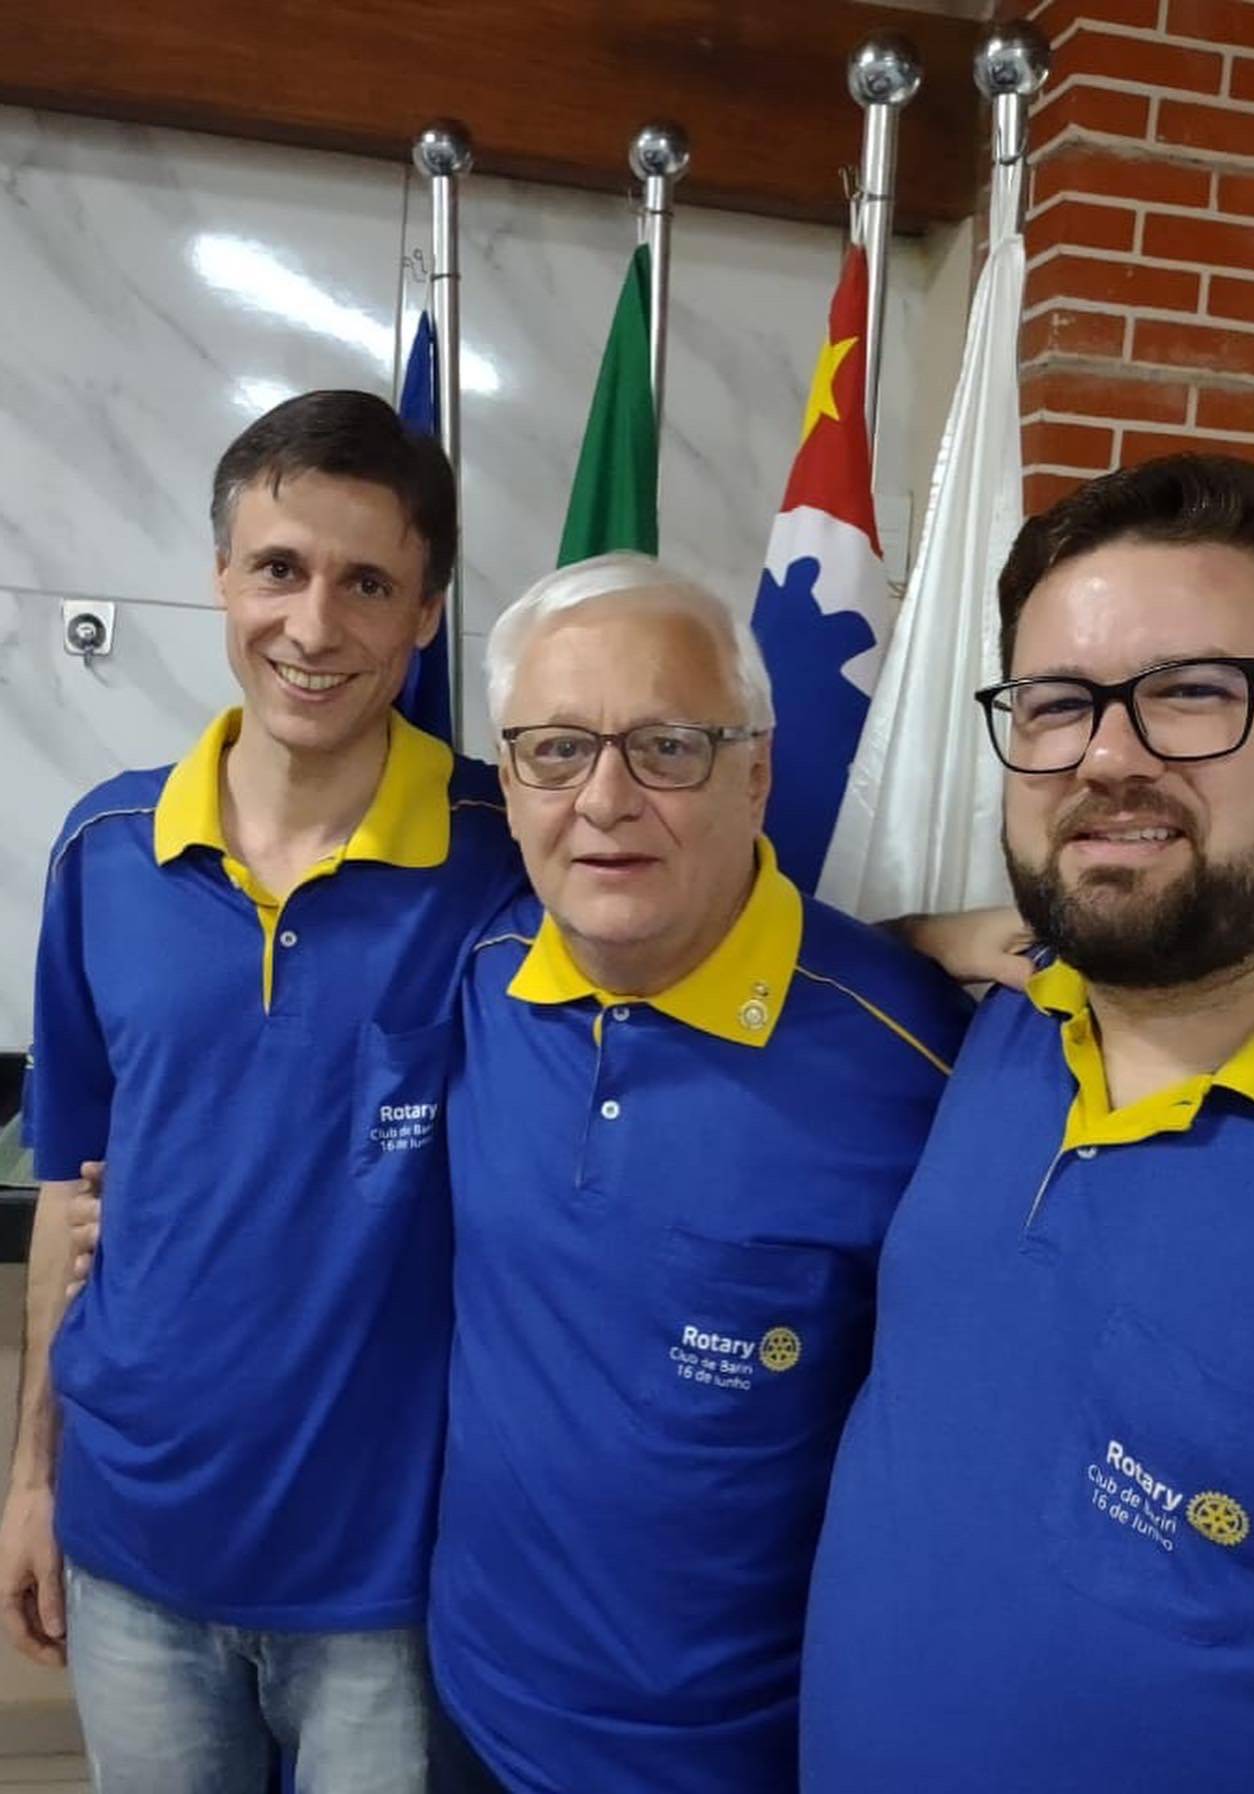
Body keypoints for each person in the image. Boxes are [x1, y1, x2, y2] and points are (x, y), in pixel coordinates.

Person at [800, 454, 1254, 1793]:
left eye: (1193, 691)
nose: (1106, 756)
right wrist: (925, 937)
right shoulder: (1015, 1017)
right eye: (1056, 703)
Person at [0, 390, 524, 1793]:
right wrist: (33, 1478)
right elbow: (71, 1193)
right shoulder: (107, 846)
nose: (313, 624)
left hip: (390, 1580)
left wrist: (932, 940)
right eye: (280, 569)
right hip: (132, 1548)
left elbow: (703, 920)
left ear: (427, 612)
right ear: (222, 577)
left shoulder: (511, 852)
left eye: (369, 583)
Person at [424, 554, 971, 1794]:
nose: (605, 799)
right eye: (557, 750)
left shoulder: (918, 1063)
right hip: (468, 1710)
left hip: (739, 1758)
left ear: (758, 772)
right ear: (508, 782)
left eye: (668, 747)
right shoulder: (477, 977)